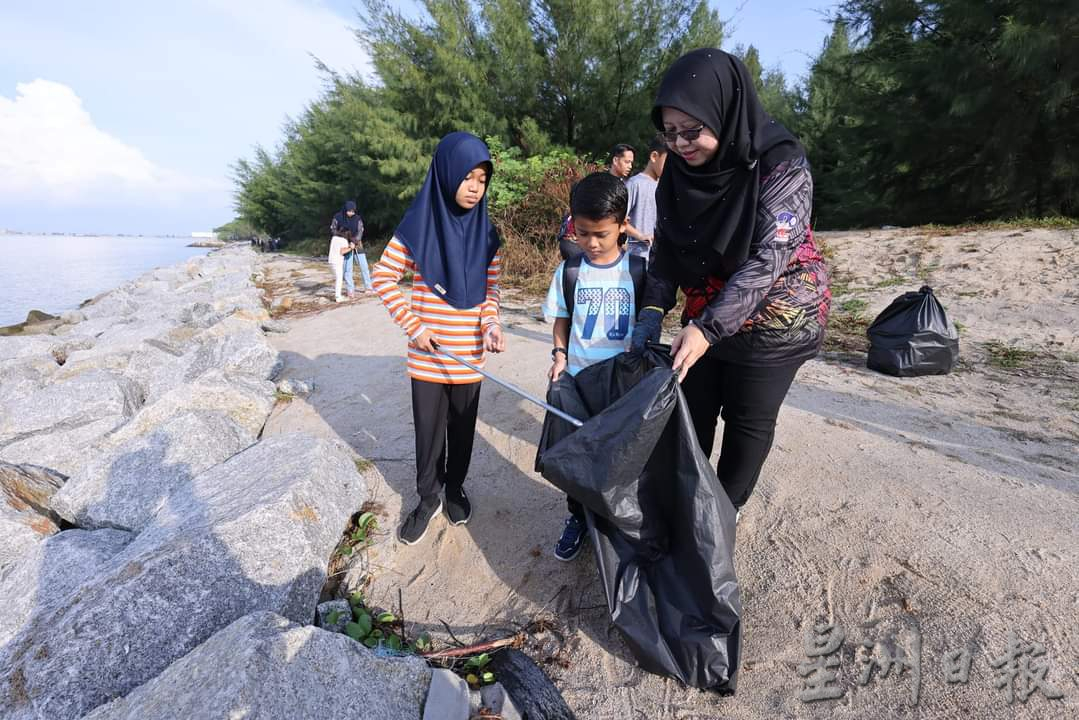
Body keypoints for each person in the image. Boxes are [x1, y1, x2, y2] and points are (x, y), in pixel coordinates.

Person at [631, 49, 831, 519]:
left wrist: (707, 329)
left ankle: (724, 509)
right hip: (709, 310)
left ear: (724, 109)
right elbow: (665, 251)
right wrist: (651, 312)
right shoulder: (677, 175)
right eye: (670, 132)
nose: (680, 144)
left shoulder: (780, 162)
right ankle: (689, 500)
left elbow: (771, 257)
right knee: (691, 410)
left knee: (747, 420)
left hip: (779, 314)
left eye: (692, 130)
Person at [371, 132, 506, 545]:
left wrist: (491, 325)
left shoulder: (488, 236)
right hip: (428, 355)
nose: (473, 187)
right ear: (446, 173)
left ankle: (454, 489)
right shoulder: (418, 227)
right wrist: (416, 327)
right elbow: (383, 278)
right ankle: (428, 496)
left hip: (469, 355)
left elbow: (491, 292)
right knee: (429, 432)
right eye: (467, 177)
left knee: (463, 429)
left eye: (482, 180)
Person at [543, 172, 646, 561]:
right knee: (577, 453)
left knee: (620, 454)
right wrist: (559, 356)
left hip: (622, 385)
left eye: (601, 233)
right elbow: (561, 319)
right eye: (583, 233)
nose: (591, 243)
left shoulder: (636, 271)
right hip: (580, 381)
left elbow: (645, 325)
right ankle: (577, 517)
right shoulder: (570, 271)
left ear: (623, 226)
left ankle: (616, 519)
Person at [623, 136, 668, 263]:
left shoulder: (664, 187)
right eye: (668, 162)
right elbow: (618, 219)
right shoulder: (634, 184)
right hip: (638, 257)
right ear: (654, 157)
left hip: (660, 259)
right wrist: (640, 236)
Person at [331, 201, 372, 297]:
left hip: (357, 244)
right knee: (347, 269)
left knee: (364, 266)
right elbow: (333, 229)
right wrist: (344, 237)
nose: (351, 213)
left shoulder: (357, 219)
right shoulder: (338, 217)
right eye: (349, 211)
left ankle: (368, 287)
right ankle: (350, 290)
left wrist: (355, 241)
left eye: (353, 211)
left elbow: (360, 230)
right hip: (344, 244)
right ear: (345, 209)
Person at [328, 230, 352, 303]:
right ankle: (338, 297)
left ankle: (338, 295)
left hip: (331, 260)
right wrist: (351, 248)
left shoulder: (334, 238)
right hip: (337, 261)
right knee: (339, 279)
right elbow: (342, 251)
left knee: (337, 278)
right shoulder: (344, 240)